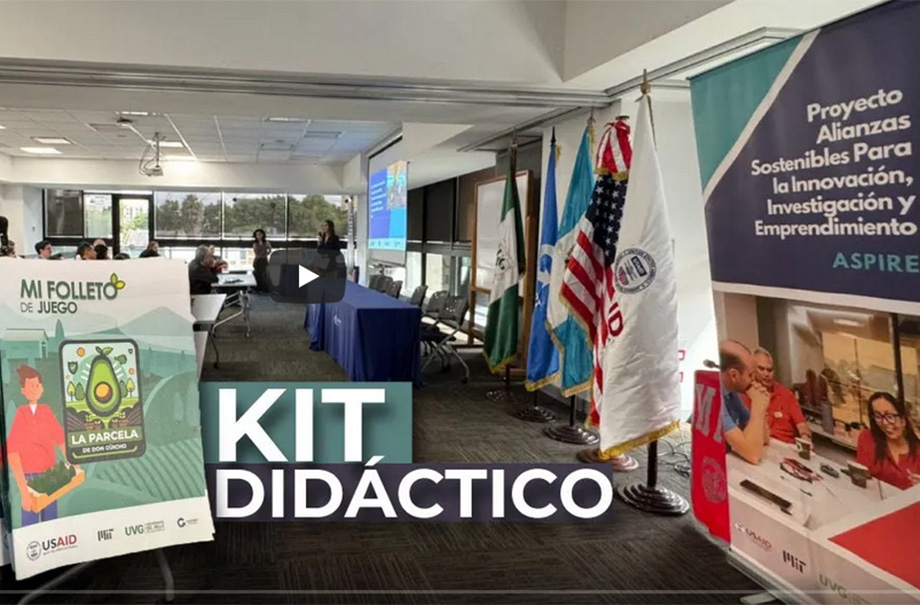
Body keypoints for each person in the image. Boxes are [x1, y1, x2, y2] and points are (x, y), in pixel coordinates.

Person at [6, 365, 69, 526]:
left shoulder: (46, 411)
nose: (35, 389)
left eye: (38, 385)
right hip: (30, 480)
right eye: (31, 385)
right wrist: (24, 491)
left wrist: (71, 462)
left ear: (42, 388)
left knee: (51, 523)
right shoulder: (21, 414)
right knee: (30, 525)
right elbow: (12, 452)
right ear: (23, 390)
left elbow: (60, 439)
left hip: (50, 476)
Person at [742, 348, 811, 444]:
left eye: (769, 370)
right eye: (761, 369)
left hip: (788, 446)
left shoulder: (786, 395)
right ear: (752, 370)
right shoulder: (744, 394)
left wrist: (805, 437)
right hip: (760, 444)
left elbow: (801, 424)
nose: (766, 374)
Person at [719, 339, 771, 464]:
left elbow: (764, 439)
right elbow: (753, 455)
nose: (754, 380)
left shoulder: (731, 392)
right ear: (734, 375)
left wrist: (761, 407)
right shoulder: (713, 396)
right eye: (750, 375)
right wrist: (758, 406)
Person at [856, 392, 920, 490]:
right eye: (878, 417)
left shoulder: (917, 450)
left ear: (903, 419)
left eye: (890, 416)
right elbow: (860, 477)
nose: (885, 423)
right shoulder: (867, 438)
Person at [252, 229, 272, 294]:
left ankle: (265, 288)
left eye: (260, 234)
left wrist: (265, 254)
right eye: (257, 235)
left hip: (264, 259)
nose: (259, 236)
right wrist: (263, 252)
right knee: (257, 273)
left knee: (264, 273)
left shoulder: (266, 242)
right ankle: (258, 288)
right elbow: (256, 252)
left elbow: (269, 250)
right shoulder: (255, 243)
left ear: (263, 235)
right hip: (258, 260)